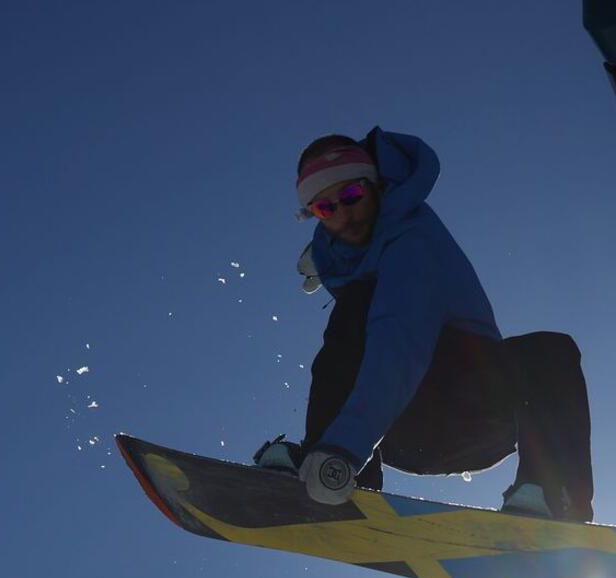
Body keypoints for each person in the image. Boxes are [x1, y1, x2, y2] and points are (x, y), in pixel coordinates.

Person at [254, 129, 595, 522]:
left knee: (549, 352)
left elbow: (399, 343)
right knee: (350, 317)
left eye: (352, 196)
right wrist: (334, 449)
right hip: (401, 432)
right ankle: (332, 472)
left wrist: (345, 445)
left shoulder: (411, 241)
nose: (343, 213)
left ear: (377, 186)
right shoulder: (338, 254)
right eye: (326, 208)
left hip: (477, 415)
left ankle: (553, 496)